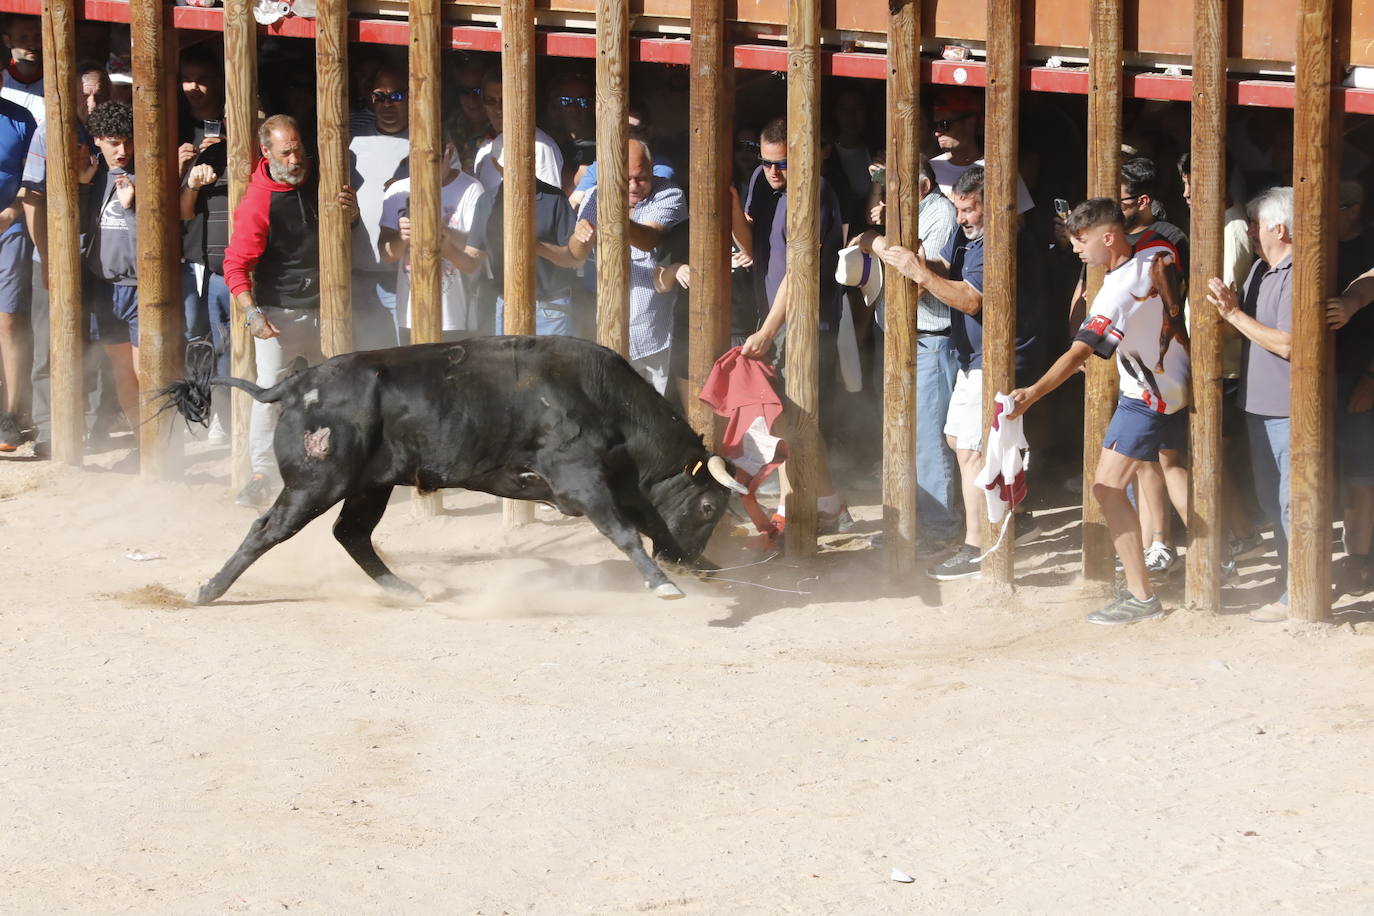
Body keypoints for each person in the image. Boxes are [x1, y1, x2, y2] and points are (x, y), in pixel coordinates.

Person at [1007, 196, 1190, 625]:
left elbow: (1079, 353)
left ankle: (1141, 594)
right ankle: (1209, 559)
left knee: (1107, 489)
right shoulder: (1153, 248)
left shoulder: (1118, 288)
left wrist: (1031, 393)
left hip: (1147, 396)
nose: (1075, 248)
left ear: (1109, 237)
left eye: (1081, 240)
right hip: (1169, 387)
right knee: (1165, 475)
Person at [876, 165, 1044, 579]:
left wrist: (919, 274)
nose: (962, 217)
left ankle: (977, 545)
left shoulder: (1000, 242)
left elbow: (971, 300)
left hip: (999, 357)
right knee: (964, 440)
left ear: (994, 207)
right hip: (976, 356)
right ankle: (1011, 519)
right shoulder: (969, 236)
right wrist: (911, 260)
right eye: (958, 208)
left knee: (971, 451)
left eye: (969, 210)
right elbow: (946, 269)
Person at [222, 114, 358, 508]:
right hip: (280, 309)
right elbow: (235, 264)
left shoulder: (322, 176)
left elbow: (344, 231)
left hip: (329, 304)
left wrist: (351, 214)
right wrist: (252, 313)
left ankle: (339, 467)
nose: (296, 160)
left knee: (339, 390)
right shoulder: (258, 201)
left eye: (298, 149)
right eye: (286, 153)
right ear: (266, 152)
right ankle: (263, 474)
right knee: (270, 391)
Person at [856, 156, 962, 551]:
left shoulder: (940, 216)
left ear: (920, 188)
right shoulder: (910, 213)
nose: (883, 201)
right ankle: (910, 524)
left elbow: (918, 280)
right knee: (903, 435)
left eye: (891, 190)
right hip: (904, 337)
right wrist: (876, 238)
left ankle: (940, 531)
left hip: (930, 339)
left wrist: (877, 242)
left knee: (929, 440)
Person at [1205, 187, 1296, 623]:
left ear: (1279, 228)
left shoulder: (1299, 274)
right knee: (1270, 498)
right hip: (1259, 406)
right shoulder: (1262, 268)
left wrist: (1233, 316)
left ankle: (1298, 591)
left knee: (1290, 503)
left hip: (1289, 410)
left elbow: (1289, 344)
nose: (1252, 233)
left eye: (1258, 225)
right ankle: (1287, 582)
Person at [20, 62, 110, 459]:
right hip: (55, 253)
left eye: (98, 95)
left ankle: (90, 426)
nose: (90, 103)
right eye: (84, 94)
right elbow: (31, 199)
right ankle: (47, 428)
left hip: (101, 256)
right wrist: (47, 257)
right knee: (47, 346)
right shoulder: (50, 131)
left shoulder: (114, 132)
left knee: (96, 342)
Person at [570, 140, 685, 393]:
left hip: (653, 334)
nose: (633, 186)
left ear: (652, 169)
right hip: (608, 332)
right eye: (627, 178)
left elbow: (648, 239)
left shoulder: (669, 194)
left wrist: (612, 213)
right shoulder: (596, 194)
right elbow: (576, 254)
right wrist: (580, 236)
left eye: (641, 178)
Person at [377, 120, 486, 343]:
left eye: (436, 158)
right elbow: (386, 255)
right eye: (420, 159)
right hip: (410, 316)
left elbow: (474, 262)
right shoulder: (398, 190)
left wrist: (441, 233)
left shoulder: (472, 189)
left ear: (450, 151)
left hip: (456, 317)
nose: (428, 166)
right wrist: (402, 238)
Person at [464, 135, 583, 338]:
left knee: (552, 369)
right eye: (510, 165)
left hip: (551, 308)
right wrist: (445, 245)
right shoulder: (486, 202)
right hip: (506, 305)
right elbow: (473, 257)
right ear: (496, 164)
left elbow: (573, 258)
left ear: (534, 160)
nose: (518, 170)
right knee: (510, 370)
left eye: (526, 162)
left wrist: (536, 247)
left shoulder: (554, 199)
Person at [79, 101, 141, 440]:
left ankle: (156, 441)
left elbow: (150, 241)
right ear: (98, 140)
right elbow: (79, 231)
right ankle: (141, 440)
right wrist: (84, 187)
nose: (123, 150)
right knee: (120, 369)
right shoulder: (94, 177)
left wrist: (131, 210)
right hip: (104, 286)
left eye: (128, 141)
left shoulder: (144, 175)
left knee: (144, 369)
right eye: (114, 142)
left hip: (140, 287)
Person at [1324, 183, 1374, 595]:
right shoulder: (1316, 242)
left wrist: (1371, 379)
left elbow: (1368, 284)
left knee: (1361, 473)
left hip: (1361, 378)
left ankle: (1358, 561)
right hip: (1320, 378)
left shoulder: (1369, 245)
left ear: (1355, 208)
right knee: (1328, 471)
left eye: (1336, 204)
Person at [347, 65, 410, 350]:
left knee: (400, 352)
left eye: (396, 96)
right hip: (356, 270)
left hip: (402, 273)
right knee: (361, 352)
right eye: (380, 96)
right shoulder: (350, 136)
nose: (388, 104)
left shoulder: (427, 141)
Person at [928, 89, 1033, 213]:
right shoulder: (929, 169)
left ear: (970, 123)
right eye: (935, 125)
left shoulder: (1001, 172)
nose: (937, 133)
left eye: (944, 125)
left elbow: (1019, 223)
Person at [0, 94, 33, 451]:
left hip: (8, 229)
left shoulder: (20, 120)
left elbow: (32, 178)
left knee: (9, 321)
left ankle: (10, 416)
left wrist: (9, 213)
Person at [471, 68, 564, 193]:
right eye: (491, 100)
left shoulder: (540, 145)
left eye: (505, 100)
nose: (499, 108)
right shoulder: (484, 149)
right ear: (483, 104)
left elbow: (550, 203)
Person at [0, 15, 43, 121]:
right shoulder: (2, 83)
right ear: (7, 41)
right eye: (23, 38)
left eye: (37, 37)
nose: (32, 44)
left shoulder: (58, 81)